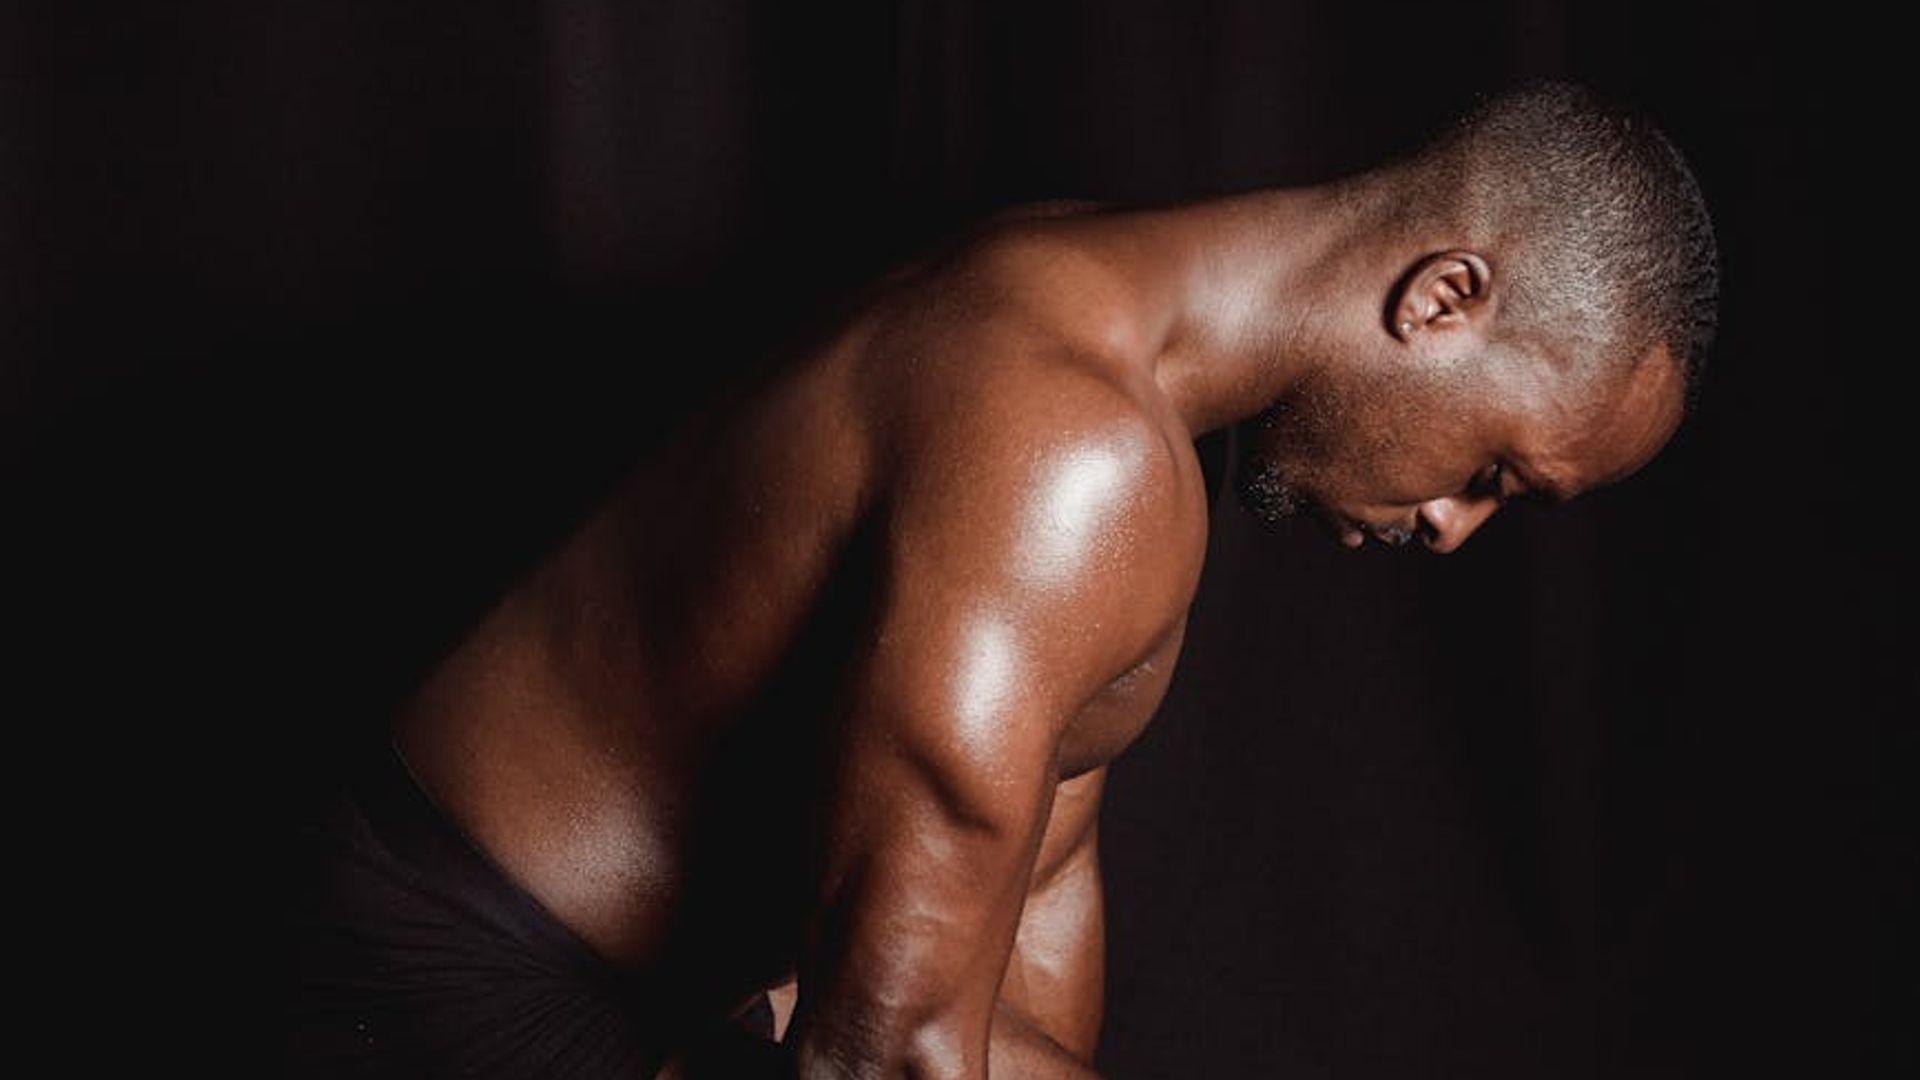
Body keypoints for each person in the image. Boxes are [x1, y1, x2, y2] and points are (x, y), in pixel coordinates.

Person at [283, 79, 1718, 1078]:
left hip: (640, 990)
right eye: (1496, 472)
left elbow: (1029, 906)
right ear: (1443, 298)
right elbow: (879, 1055)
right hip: (452, 990)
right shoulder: (1069, 449)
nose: (1458, 526)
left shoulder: (1126, 346)